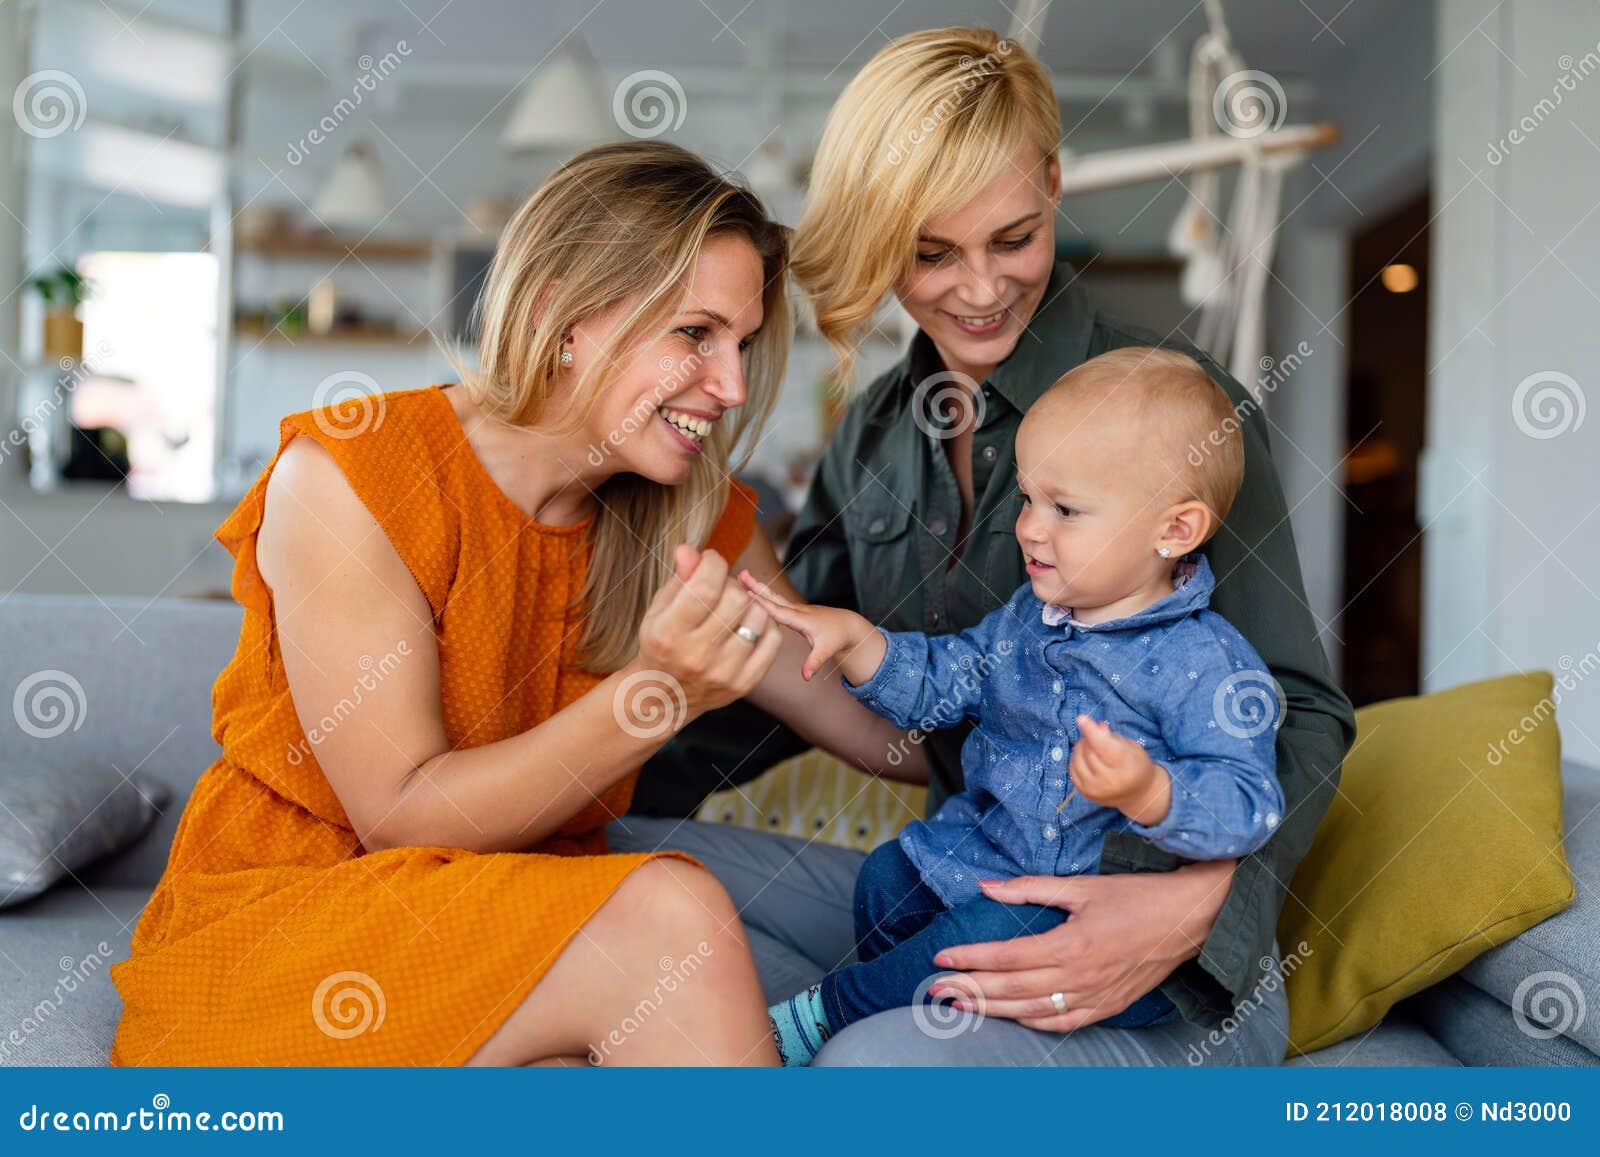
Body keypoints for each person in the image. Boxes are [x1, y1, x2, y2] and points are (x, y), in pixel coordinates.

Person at [634, 27, 1355, 1066]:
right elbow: (801, 667)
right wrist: (609, 778)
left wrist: (1190, 908)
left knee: (878, 1062)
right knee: (618, 870)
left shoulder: (1174, 411)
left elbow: (1305, 708)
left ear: (1055, 187)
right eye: (928, 253)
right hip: (964, 879)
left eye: (1012, 238)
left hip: (1152, 965)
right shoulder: (878, 431)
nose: (977, 288)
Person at [110, 141, 914, 1067]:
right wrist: (656, 693)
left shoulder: (694, 519)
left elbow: (871, 729)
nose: (731, 388)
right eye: (695, 335)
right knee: (669, 912)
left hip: (507, 912)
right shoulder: (353, 476)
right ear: (561, 314)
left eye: (740, 344)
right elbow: (403, 816)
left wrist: (1062, 700)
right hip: (296, 923)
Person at [751, 348, 1284, 1064]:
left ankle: (832, 1013)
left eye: (1065, 509)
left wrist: (1153, 792)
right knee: (885, 877)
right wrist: (859, 643)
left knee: (974, 939)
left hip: (1091, 910)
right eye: (1029, 498)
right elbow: (945, 678)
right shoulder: (1025, 619)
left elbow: (1249, 800)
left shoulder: (1205, 663)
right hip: (990, 862)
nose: (1029, 527)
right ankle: (912, 1019)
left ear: (1176, 530)